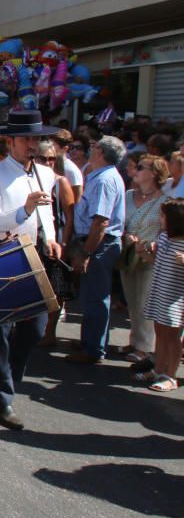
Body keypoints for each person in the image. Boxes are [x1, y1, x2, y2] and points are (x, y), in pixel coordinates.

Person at [0, 110, 61, 430]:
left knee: (36, 328)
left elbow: (48, 214)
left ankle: (3, 382)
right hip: (1, 254)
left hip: (35, 256)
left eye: (35, 138)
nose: (32, 144)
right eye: (26, 139)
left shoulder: (45, 173)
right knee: (0, 332)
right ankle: (1, 397)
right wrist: (24, 210)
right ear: (10, 141)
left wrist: (53, 239)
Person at [66, 135, 127, 364]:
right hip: (97, 243)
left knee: (96, 297)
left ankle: (93, 349)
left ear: (101, 152)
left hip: (100, 245)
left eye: (94, 146)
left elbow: (101, 221)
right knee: (91, 296)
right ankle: (90, 341)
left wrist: (86, 253)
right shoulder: (101, 177)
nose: (91, 149)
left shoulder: (104, 180)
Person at [117, 155, 166, 365]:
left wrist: (150, 244)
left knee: (145, 302)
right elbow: (118, 221)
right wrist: (126, 235)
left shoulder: (164, 199)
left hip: (151, 256)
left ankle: (145, 348)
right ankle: (135, 340)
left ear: (154, 173)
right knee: (131, 299)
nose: (135, 170)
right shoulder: (128, 195)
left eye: (140, 167)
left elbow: (167, 229)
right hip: (128, 254)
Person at [140, 198, 184, 392]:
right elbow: (155, 260)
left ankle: (171, 376)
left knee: (173, 337)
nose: (160, 219)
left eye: (163, 215)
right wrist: (144, 252)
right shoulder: (165, 237)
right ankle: (158, 370)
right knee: (160, 332)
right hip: (160, 292)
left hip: (175, 298)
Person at [38, 140, 77, 347]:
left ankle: (50, 331)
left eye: (51, 158)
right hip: (34, 239)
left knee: (56, 289)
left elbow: (70, 217)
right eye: (42, 158)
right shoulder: (30, 179)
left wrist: (64, 242)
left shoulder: (60, 181)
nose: (47, 162)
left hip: (55, 242)